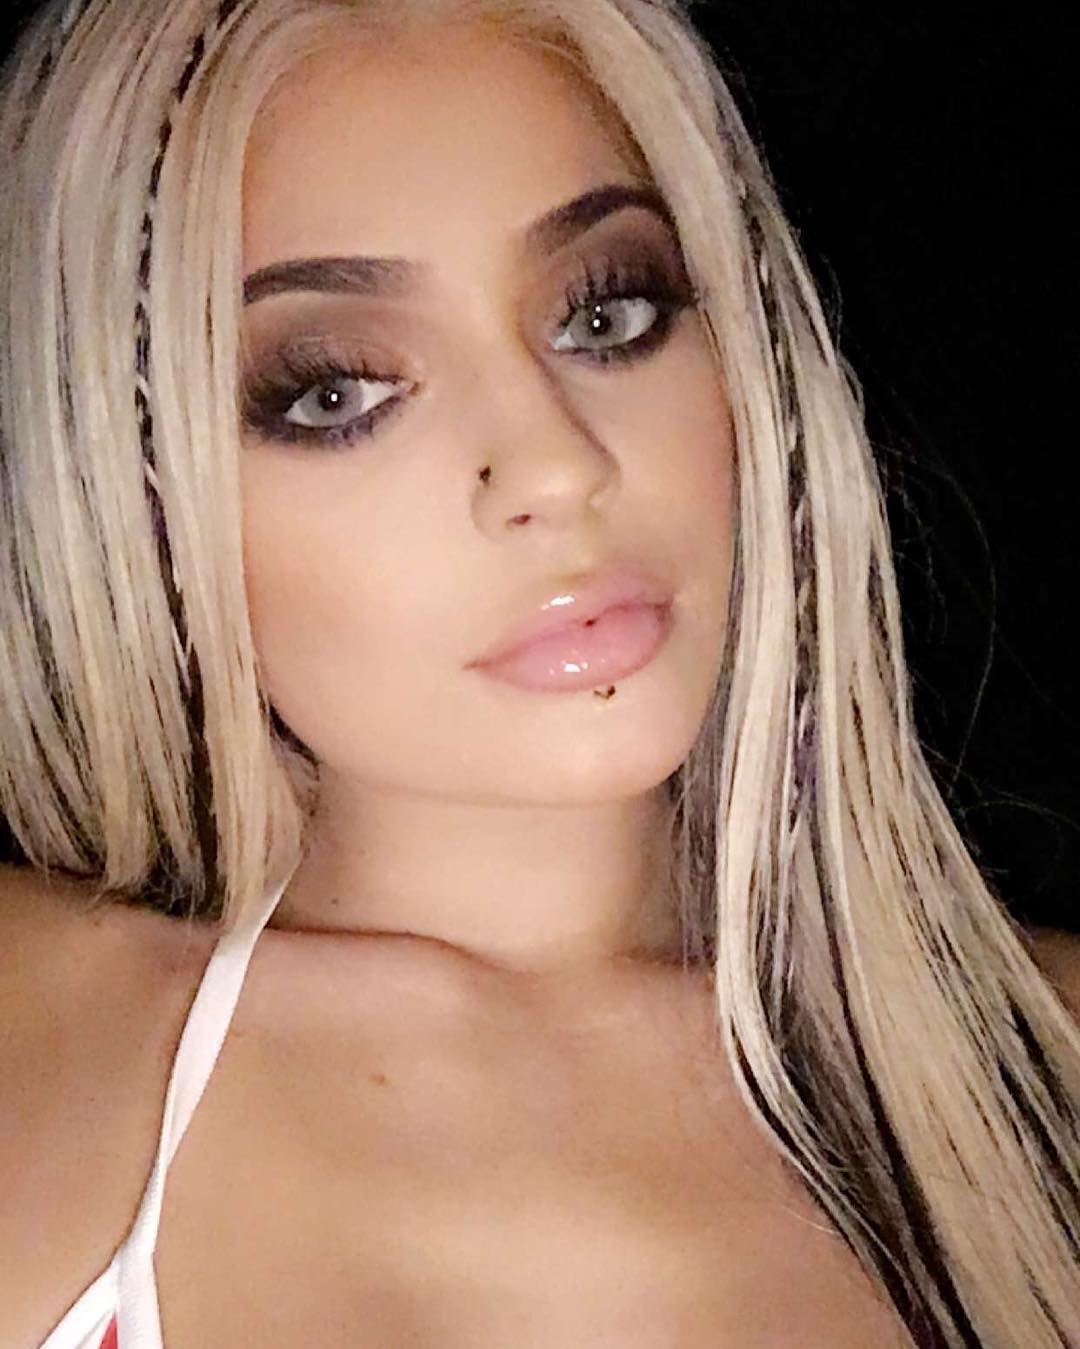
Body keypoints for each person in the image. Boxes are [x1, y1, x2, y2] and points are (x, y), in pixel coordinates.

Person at [0, 0, 1076, 1345]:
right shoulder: (41, 1040)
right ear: (140, 495)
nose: (558, 465)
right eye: (335, 391)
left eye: (607, 314)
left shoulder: (1042, 1081)